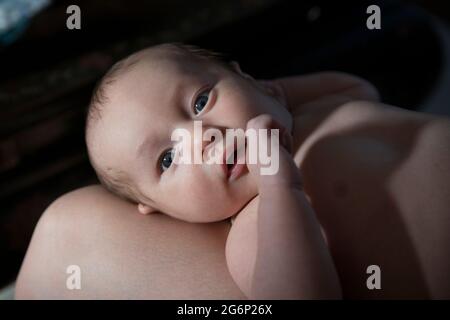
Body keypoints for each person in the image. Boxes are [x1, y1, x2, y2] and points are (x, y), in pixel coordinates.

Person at [16, 43, 450, 299]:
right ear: (160, 210)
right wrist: (282, 189)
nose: (200, 136)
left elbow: (362, 90)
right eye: (168, 159)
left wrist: (268, 96)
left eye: (201, 101)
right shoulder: (255, 230)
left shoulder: (313, 111)